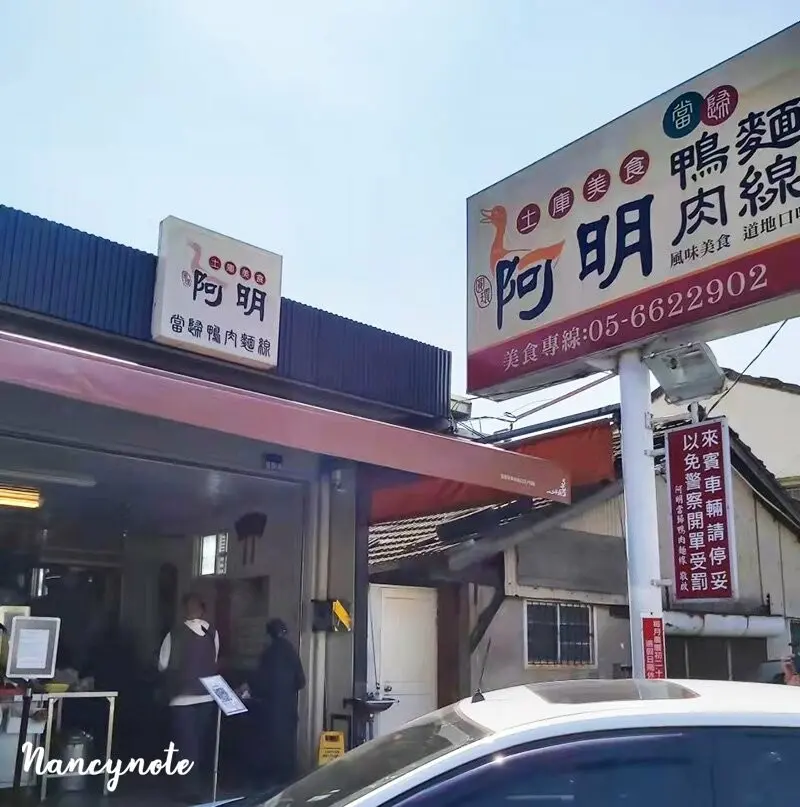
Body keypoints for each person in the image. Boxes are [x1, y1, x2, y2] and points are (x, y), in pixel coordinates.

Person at [158, 593, 219, 802]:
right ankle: (193, 786)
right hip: (207, 698)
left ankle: (189, 789)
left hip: (181, 698)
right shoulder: (213, 634)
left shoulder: (174, 634)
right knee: (198, 744)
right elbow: (214, 659)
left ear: (185, 610)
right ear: (203, 610)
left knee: (186, 744)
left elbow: (163, 665)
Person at [249, 618, 306, 786]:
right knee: (287, 747)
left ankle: (269, 783)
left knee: (269, 748)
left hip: (270, 710)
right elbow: (301, 681)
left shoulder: (268, 653)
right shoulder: (291, 651)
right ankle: (288, 780)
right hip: (288, 709)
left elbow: (261, 683)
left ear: (269, 634)